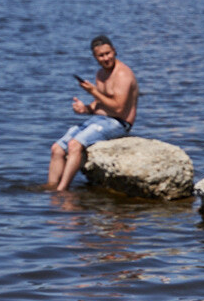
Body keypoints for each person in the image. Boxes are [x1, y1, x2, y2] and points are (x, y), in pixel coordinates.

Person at [48, 35, 139, 192]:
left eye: (108, 53)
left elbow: (118, 109)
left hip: (119, 123)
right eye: (101, 55)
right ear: (95, 57)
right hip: (100, 120)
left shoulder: (123, 74)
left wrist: (93, 91)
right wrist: (85, 109)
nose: (105, 58)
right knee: (56, 148)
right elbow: (102, 103)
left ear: (114, 51)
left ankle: (62, 190)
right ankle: (50, 188)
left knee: (74, 145)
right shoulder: (100, 74)